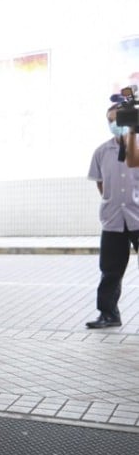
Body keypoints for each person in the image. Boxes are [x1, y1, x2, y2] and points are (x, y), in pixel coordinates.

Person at [85, 106, 139, 328]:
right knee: (110, 270)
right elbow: (100, 183)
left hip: (137, 216)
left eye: (119, 119)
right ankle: (108, 314)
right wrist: (111, 201)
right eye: (110, 120)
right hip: (113, 219)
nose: (115, 124)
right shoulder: (101, 152)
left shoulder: (137, 149)